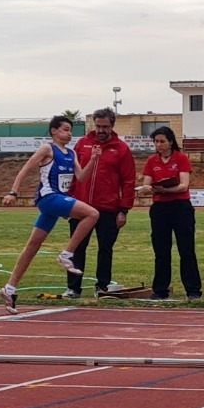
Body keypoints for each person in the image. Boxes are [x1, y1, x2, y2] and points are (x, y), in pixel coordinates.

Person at [0, 115, 101, 314]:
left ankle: (9, 289)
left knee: (32, 247)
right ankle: (67, 254)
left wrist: (94, 159)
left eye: (71, 130)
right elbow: (26, 169)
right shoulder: (47, 149)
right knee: (92, 214)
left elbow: (81, 177)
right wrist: (13, 192)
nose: (69, 134)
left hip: (55, 202)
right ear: (54, 131)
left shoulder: (72, 153)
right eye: (65, 129)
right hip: (49, 198)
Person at [65, 108, 138, 298]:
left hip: (109, 208)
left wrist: (124, 209)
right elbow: (73, 174)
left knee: (105, 249)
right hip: (81, 208)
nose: (101, 130)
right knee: (76, 247)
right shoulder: (83, 144)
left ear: (112, 126)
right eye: (98, 126)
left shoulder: (121, 149)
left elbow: (128, 181)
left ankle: (102, 286)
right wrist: (68, 202)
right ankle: (73, 288)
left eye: (105, 127)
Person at [136, 125, 201, 299]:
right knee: (161, 251)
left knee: (186, 250)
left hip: (181, 207)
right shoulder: (152, 161)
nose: (159, 145)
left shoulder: (181, 158)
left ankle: (193, 290)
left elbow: (183, 185)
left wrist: (165, 189)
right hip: (160, 208)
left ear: (170, 142)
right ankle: (160, 290)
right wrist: (149, 188)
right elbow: (147, 184)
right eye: (156, 141)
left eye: (162, 141)